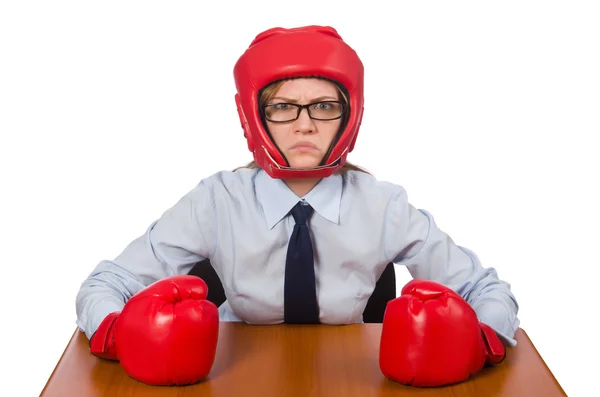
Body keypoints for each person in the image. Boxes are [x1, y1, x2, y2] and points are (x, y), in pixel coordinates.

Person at [75, 25, 519, 386]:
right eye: (283, 107)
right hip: (236, 378)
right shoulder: (215, 201)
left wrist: (481, 341)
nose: (304, 124)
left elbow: (488, 291)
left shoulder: (383, 206)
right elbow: (105, 283)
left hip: (349, 380)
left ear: (350, 114)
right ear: (254, 117)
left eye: (324, 106)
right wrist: (117, 333)